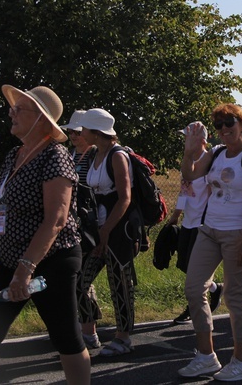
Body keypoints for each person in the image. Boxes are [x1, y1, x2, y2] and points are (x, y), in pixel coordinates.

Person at [0, 84, 89, 385]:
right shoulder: (14, 155)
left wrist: (25, 269)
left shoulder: (55, 156)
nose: (11, 112)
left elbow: (56, 219)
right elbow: (0, 211)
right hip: (11, 257)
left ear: (42, 120)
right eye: (13, 107)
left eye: (21, 109)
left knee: (65, 337)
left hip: (52, 259)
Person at [176, 104, 242, 381]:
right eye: (219, 125)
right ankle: (206, 356)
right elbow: (190, 175)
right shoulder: (216, 154)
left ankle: (241, 361)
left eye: (230, 123)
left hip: (238, 233)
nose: (224, 129)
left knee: (235, 298)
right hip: (209, 230)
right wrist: (189, 150)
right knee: (193, 289)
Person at [76, 108, 142, 357]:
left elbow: (125, 198)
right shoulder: (94, 154)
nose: (80, 133)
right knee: (79, 281)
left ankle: (123, 338)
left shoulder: (117, 156)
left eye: (84, 128)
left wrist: (106, 230)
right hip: (98, 230)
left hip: (119, 230)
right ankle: (89, 330)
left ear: (95, 131)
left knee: (120, 285)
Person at [166, 123, 223, 325]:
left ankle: (194, 307)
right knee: (184, 265)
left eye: (189, 137)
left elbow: (212, 193)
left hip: (203, 223)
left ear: (202, 141)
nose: (186, 141)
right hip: (189, 221)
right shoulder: (188, 162)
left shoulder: (210, 163)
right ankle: (215, 288)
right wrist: (175, 216)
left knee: (194, 269)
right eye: (185, 137)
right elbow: (184, 191)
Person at [60, 109, 101, 348]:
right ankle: (84, 328)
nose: (74, 136)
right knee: (77, 279)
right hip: (71, 223)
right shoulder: (69, 154)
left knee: (81, 279)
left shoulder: (95, 156)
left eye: (78, 131)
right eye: (72, 132)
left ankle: (89, 331)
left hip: (88, 225)